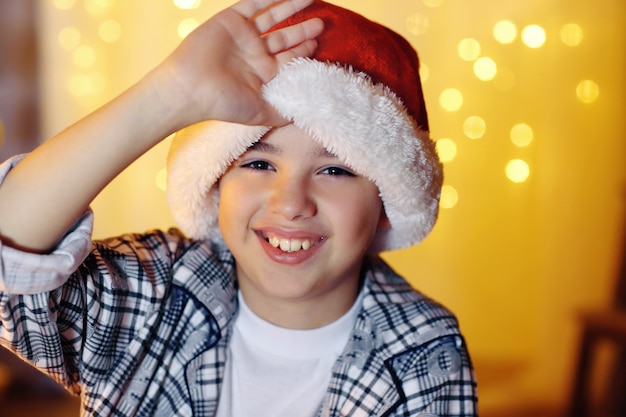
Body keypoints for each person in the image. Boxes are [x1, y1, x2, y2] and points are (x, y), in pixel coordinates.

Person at [0, 0, 478, 415]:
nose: (290, 204)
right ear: (214, 181)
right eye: (259, 164)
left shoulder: (423, 352)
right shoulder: (153, 291)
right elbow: (9, 262)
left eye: (336, 171)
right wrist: (171, 94)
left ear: (387, 203)